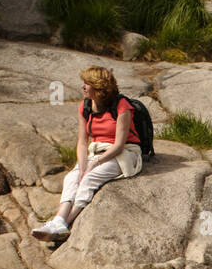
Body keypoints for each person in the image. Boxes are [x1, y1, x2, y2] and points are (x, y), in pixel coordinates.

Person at [32, 65, 144, 242]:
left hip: (125, 152)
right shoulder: (85, 107)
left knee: (89, 179)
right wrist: (83, 164)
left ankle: (63, 223)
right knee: (72, 178)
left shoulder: (122, 106)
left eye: (87, 83)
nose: (83, 86)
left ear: (99, 87)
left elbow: (120, 145)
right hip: (97, 149)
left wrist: (94, 163)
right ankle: (59, 220)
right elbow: (82, 142)